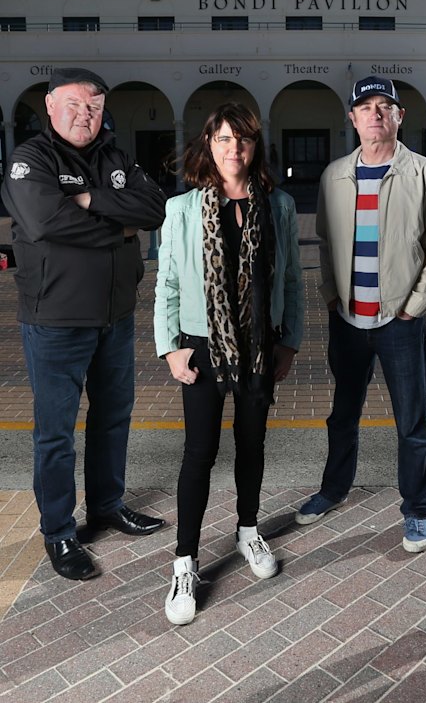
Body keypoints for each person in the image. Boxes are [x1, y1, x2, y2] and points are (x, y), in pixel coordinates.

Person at [1, 67, 167, 582]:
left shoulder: (116, 157)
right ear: (50, 105)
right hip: (57, 320)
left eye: (93, 106)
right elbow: (46, 222)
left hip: (115, 317)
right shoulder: (31, 160)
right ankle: (58, 531)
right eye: (73, 104)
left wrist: (92, 199)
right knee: (56, 433)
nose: (84, 114)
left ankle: (106, 506)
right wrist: (121, 229)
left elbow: (156, 208)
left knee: (113, 417)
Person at [154, 102, 303, 626]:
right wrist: (170, 347)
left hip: (260, 344)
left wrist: (290, 341)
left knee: (252, 444)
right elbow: (167, 283)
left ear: (255, 145)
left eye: (242, 139)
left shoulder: (278, 205)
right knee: (199, 453)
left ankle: (247, 530)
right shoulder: (183, 208)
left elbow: (291, 279)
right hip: (201, 345)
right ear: (208, 145)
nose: (233, 148)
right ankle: (185, 562)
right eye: (223, 138)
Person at [295, 76, 426, 553]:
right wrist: (330, 296)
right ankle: (333, 489)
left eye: (386, 106)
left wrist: (413, 306)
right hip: (347, 321)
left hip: (398, 322)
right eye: (366, 107)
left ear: (400, 116)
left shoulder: (425, 174)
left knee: (412, 422)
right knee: (342, 415)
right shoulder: (334, 176)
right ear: (353, 118)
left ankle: (418, 508)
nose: (376, 114)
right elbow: (325, 243)